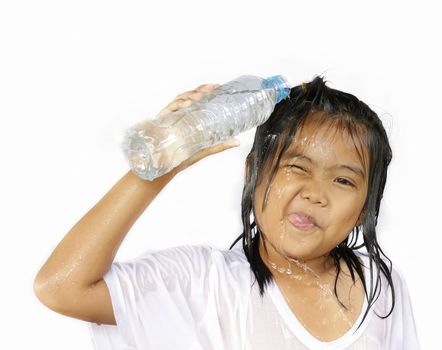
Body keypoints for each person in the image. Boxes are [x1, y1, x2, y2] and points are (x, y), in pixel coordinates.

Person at [34, 75, 421, 349]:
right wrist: (155, 169)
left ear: (365, 208)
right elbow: (62, 288)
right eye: (297, 167)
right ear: (254, 171)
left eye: (343, 181)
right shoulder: (205, 284)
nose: (315, 193)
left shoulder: (378, 287)